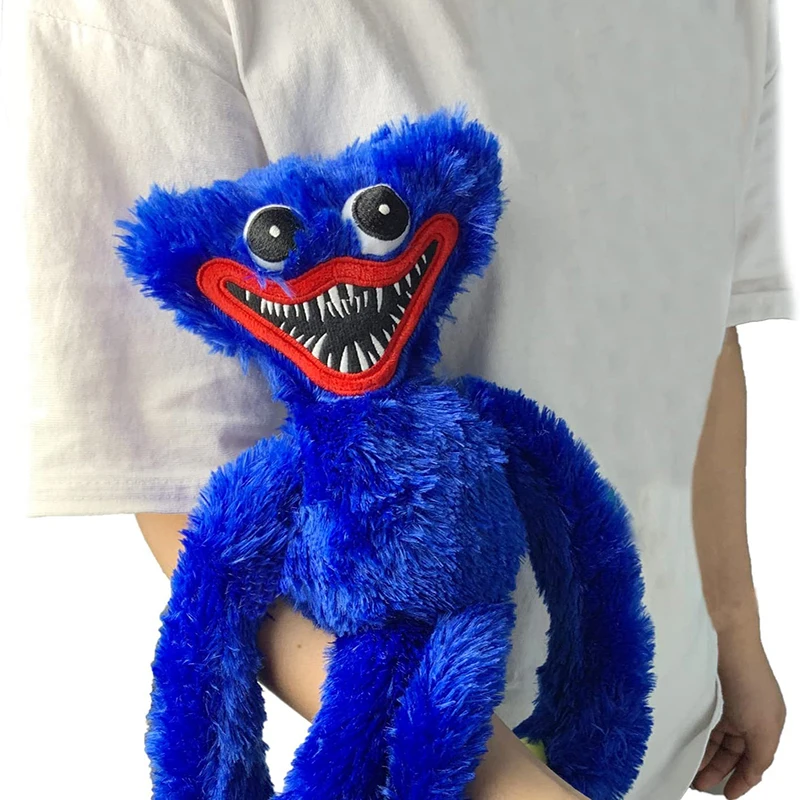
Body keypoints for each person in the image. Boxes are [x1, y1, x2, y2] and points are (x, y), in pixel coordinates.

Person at [23, 1, 793, 798]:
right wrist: (511, 783)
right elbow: (184, 485)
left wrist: (734, 628)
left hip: (661, 725)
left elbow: (703, 319)